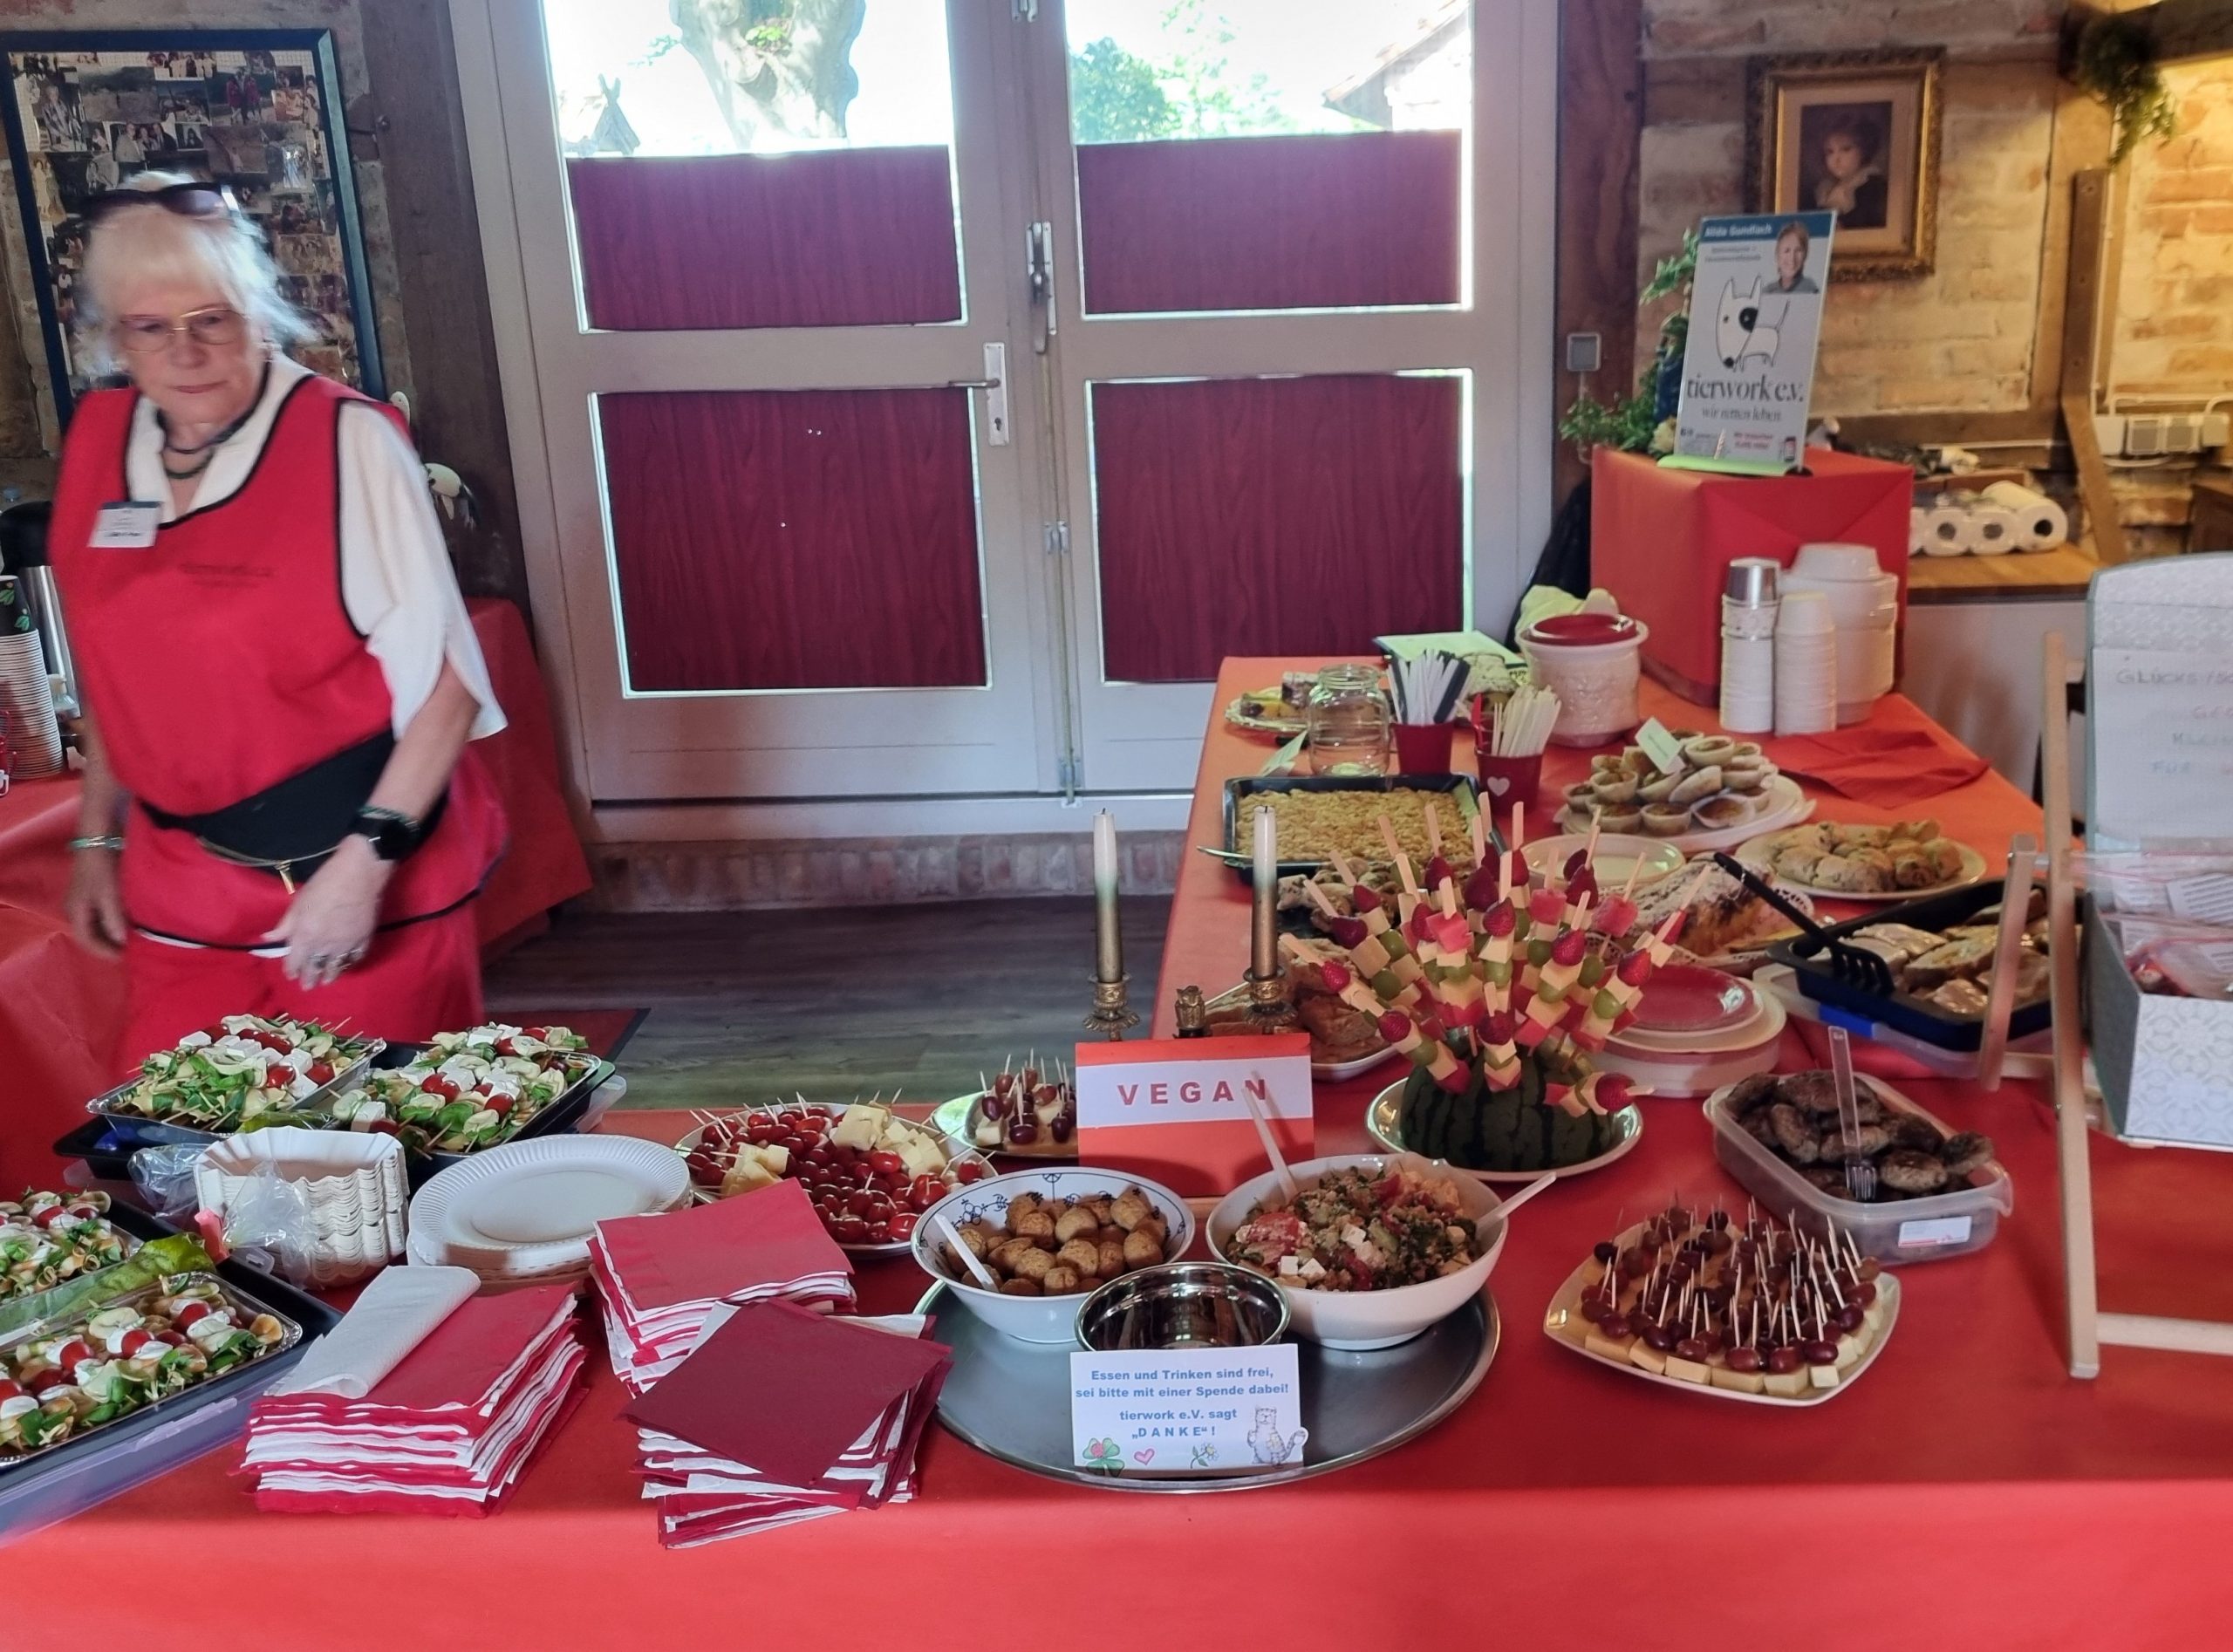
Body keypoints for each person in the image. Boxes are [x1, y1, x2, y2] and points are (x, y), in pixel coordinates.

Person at [51, 173, 510, 1068]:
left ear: (260, 315)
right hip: (180, 882)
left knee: (379, 1135)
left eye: (212, 318)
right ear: (114, 339)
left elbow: (449, 688)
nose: (186, 351)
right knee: (179, 1134)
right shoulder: (100, 439)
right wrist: (97, 839)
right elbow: (115, 676)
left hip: (352, 863)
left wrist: (362, 867)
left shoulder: (347, 441)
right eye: (150, 327)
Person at [1813, 113, 1888, 230]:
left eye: (1846, 149)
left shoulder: (1871, 185)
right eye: (1830, 152)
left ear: (1864, 150)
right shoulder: (1826, 189)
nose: (1836, 159)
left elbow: (1869, 223)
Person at [1768, 219, 1817, 294]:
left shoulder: (1810, 289)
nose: (1792, 258)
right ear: (1777, 256)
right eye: (1787, 251)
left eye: (1798, 250)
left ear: (1805, 255)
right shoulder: (1768, 291)